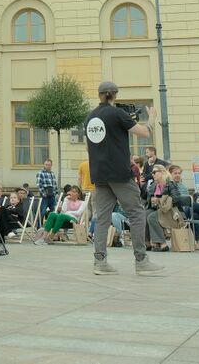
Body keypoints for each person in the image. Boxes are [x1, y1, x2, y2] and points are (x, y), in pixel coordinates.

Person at [85, 80, 164, 276]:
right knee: (137, 213)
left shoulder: (90, 117)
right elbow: (144, 133)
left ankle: (100, 262)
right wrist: (152, 118)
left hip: (99, 174)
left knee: (102, 218)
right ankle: (141, 261)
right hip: (119, 173)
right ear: (114, 95)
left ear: (100, 94)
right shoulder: (117, 113)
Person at [143, 165, 183, 251]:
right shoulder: (153, 185)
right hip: (156, 209)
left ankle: (162, 243)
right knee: (144, 214)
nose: (152, 174)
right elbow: (148, 200)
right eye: (152, 173)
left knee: (152, 217)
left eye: (154, 172)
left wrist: (161, 199)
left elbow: (176, 199)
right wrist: (152, 200)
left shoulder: (170, 184)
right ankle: (147, 242)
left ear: (162, 172)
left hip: (169, 211)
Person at [36, 159, 58, 224]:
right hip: (44, 196)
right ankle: (39, 226)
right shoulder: (40, 173)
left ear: (51, 165)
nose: (47, 166)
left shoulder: (52, 173)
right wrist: (44, 194)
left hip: (52, 196)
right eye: (46, 164)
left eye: (49, 165)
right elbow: (39, 185)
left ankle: (52, 225)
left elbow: (54, 184)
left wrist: (56, 193)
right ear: (44, 165)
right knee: (42, 212)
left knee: (54, 212)